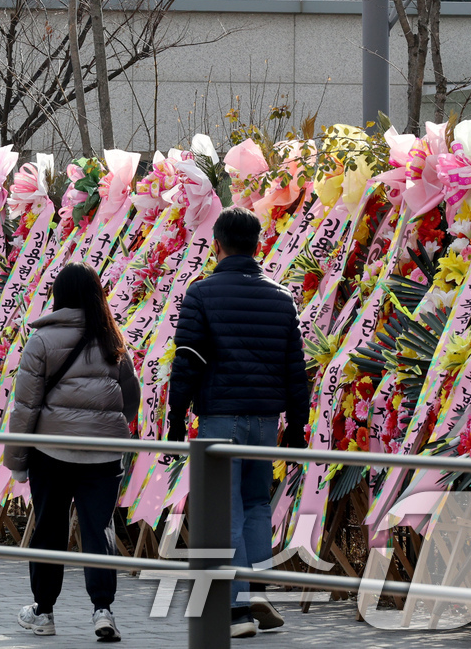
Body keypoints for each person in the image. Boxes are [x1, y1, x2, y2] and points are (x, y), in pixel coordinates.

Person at [167, 206, 309, 638]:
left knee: (223, 510)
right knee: (256, 504)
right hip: (266, 419)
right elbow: (294, 368)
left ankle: (236, 609)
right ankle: (256, 589)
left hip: (220, 417)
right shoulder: (281, 298)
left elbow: (188, 360)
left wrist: (176, 413)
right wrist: (298, 425)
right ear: (258, 244)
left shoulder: (202, 294)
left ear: (218, 244)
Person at [5, 262, 141, 644]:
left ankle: (44, 612)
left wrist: (17, 461)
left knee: (49, 527)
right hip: (104, 453)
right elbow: (131, 399)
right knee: (99, 529)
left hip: (52, 451)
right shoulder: (113, 338)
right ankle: (103, 611)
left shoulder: (41, 341)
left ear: (58, 296)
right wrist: (106, 426)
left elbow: (25, 407)